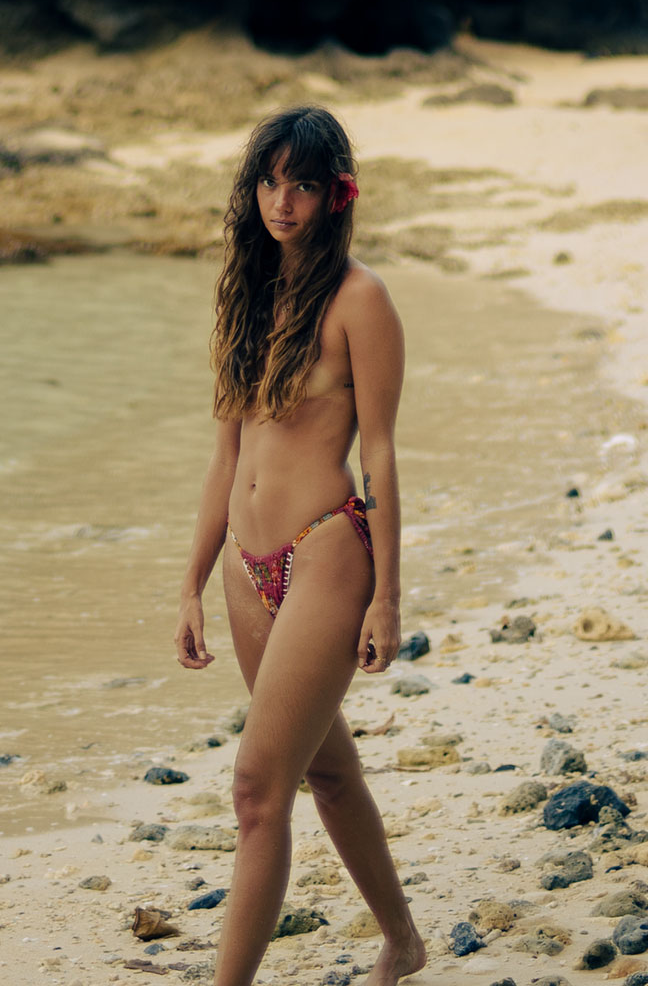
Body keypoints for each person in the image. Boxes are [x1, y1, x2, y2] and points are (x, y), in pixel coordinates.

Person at [175, 106, 426, 986]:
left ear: (335, 196)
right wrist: (190, 584)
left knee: (256, 791)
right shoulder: (244, 293)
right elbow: (226, 456)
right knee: (327, 768)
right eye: (270, 181)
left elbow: (381, 453)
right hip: (248, 569)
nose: (283, 202)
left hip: (326, 553)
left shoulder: (361, 300)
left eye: (304, 185)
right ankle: (403, 941)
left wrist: (388, 598)